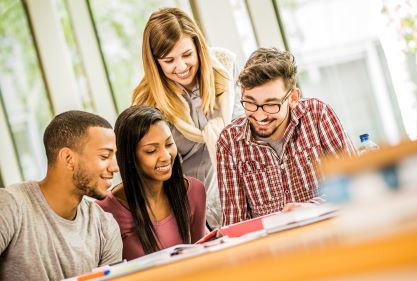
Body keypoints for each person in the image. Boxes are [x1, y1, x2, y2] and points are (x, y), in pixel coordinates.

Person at [217, 48, 357, 225]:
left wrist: (313, 208)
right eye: (250, 103)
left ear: (293, 97)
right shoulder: (229, 142)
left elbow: (355, 186)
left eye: (271, 104)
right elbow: (234, 224)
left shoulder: (318, 115)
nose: (260, 116)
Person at [132, 8, 243, 229]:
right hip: (194, 216)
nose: (181, 67)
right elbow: (154, 176)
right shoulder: (147, 103)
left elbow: (246, 126)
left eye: (187, 55)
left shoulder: (225, 69)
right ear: (155, 62)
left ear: (198, 47)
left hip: (244, 195)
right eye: (169, 60)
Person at [0, 111, 122, 281]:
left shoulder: (105, 227)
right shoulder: (10, 205)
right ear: (68, 158)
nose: (115, 167)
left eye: (114, 156)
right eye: (104, 156)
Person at [97, 105, 206, 261]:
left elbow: (201, 257)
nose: (166, 156)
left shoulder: (194, 191)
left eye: (169, 144)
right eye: (151, 150)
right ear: (129, 156)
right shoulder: (104, 212)